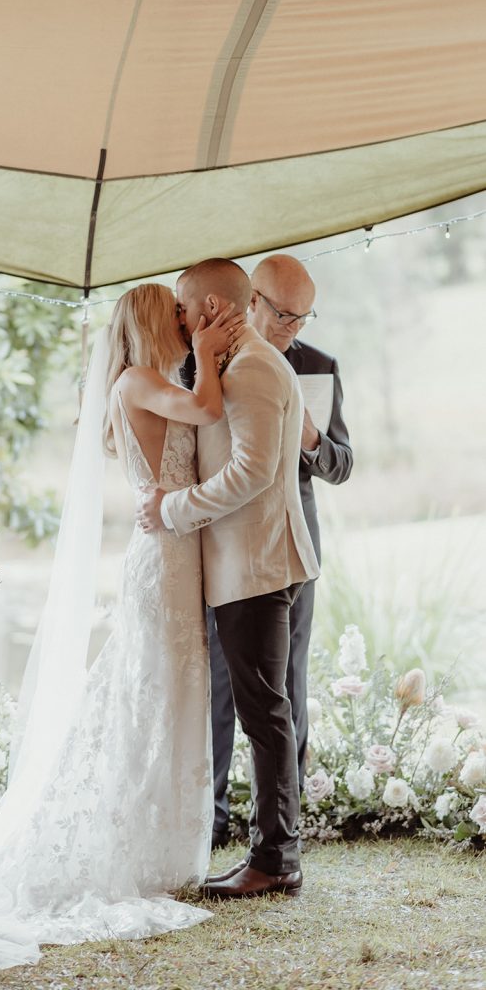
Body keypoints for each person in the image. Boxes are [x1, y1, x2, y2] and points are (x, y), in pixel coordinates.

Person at [0, 284, 240, 972]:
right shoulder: (137, 381)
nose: (187, 325)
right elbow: (208, 408)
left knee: (164, 692)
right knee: (154, 691)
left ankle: (168, 839)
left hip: (174, 550)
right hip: (164, 558)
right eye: (178, 316)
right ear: (155, 321)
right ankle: (145, 840)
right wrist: (211, 352)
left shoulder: (146, 381)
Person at [137, 258, 319, 899]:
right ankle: (275, 854)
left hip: (257, 566)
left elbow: (253, 474)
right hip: (251, 563)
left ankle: (275, 861)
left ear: (212, 308)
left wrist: (170, 510)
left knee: (266, 715)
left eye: (185, 309)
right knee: (267, 711)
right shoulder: (240, 364)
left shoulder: (255, 369)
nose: (181, 322)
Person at [208, 255, 353, 843]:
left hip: (292, 542)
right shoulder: (210, 358)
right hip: (221, 538)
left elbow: (342, 465)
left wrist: (313, 436)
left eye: (302, 317)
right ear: (251, 300)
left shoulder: (319, 367)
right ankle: (209, 817)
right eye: (283, 314)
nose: (292, 328)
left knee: (288, 683)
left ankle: (278, 830)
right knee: (216, 678)